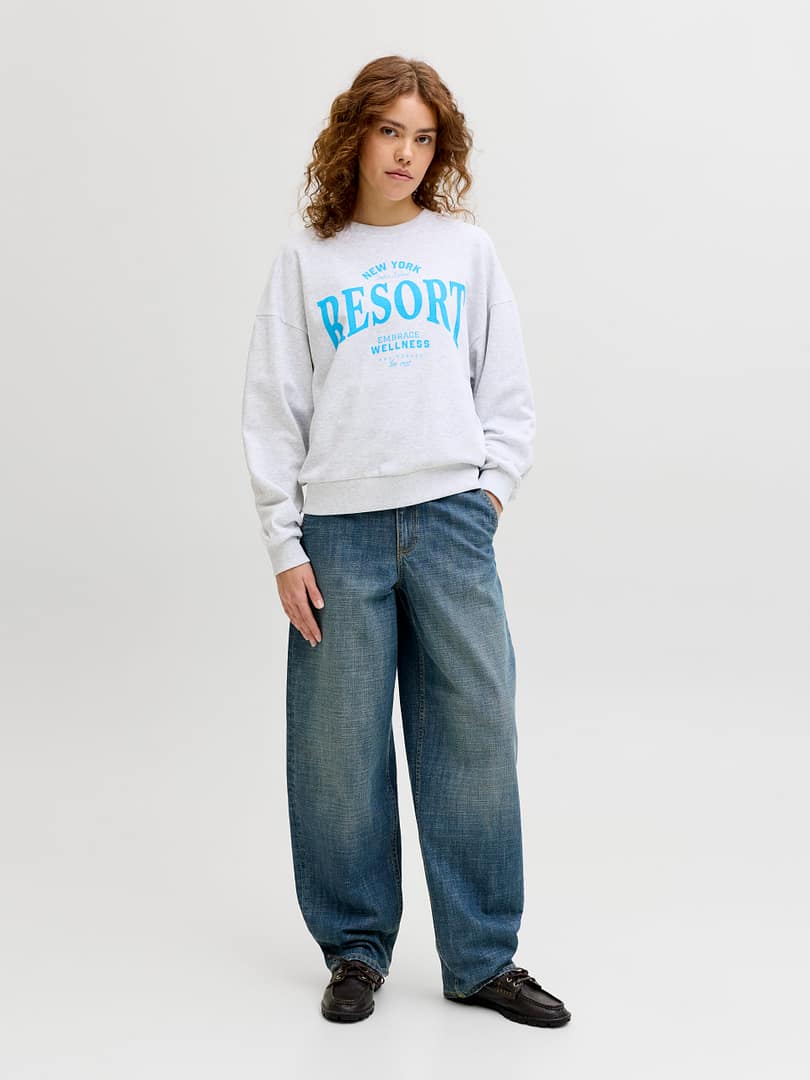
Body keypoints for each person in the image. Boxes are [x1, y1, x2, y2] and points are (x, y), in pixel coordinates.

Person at [241, 55, 572, 1028]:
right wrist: (284, 544)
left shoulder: (465, 251)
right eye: (391, 131)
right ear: (355, 136)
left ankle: (482, 960)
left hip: (451, 524)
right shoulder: (308, 260)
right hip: (337, 536)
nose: (406, 155)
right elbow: (273, 409)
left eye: (424, 138)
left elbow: (506, 392)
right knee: (338, 750)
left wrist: (488, 497)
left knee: (474, 736)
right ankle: (355, 949)